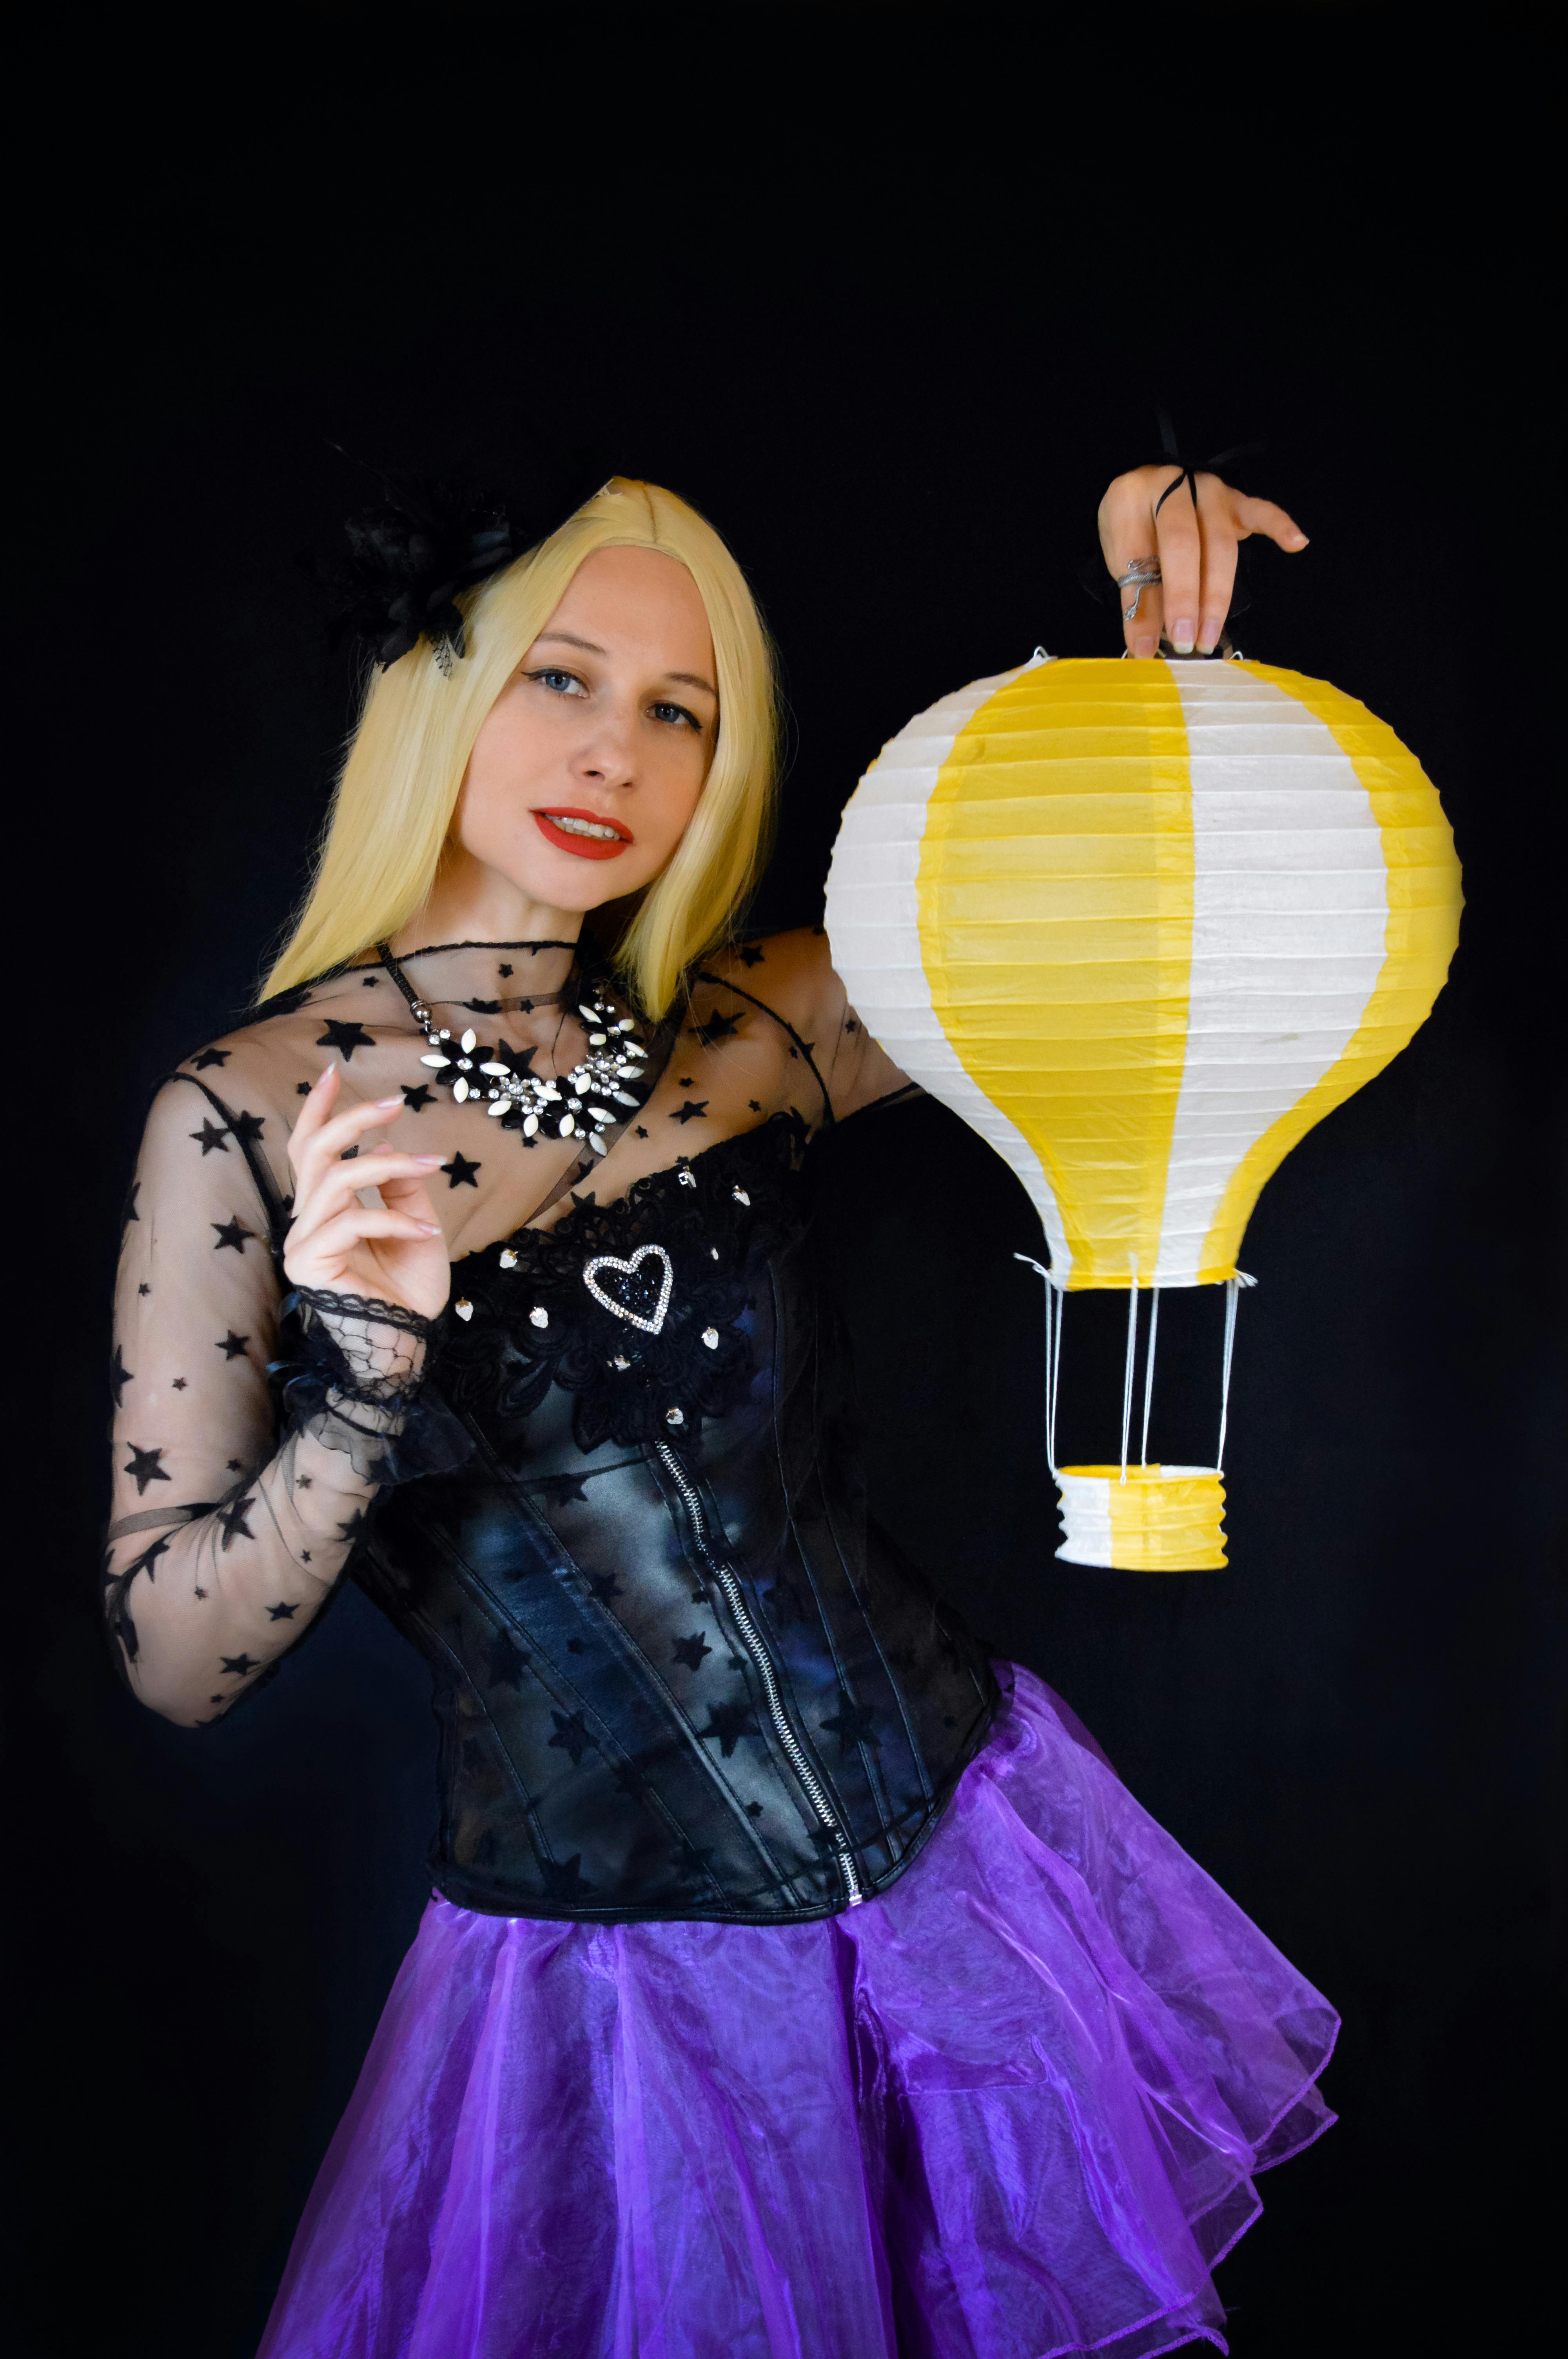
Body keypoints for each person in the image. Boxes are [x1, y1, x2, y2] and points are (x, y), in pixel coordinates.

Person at [105, 467, 1332, 2359]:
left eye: (681, 713)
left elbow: (1114, 925)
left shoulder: (747, 1026)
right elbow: (176, 1659)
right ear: (442, 685)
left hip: (959, 1892)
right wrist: (360, 1391)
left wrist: (1142, 671)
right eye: (563, 679)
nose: (618, 752)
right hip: (612, 2010)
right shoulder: (248, 1117)